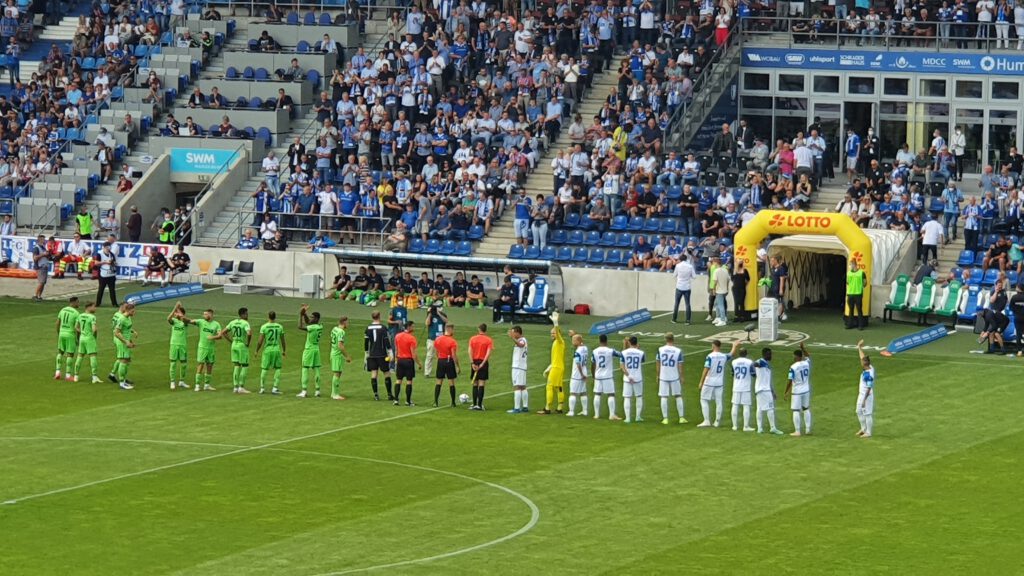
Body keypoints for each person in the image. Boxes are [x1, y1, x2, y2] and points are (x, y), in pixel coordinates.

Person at [698, 339, 729, 428]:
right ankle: (717, 421)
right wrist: (734, 346)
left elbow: (706, 369)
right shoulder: (724, 356)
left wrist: (701, 381)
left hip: (709, 381)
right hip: (719, 382)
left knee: (703, 400)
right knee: (719, 401)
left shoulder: (710, 356)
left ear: (713, 346)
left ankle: (706, 420)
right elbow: (731, 354)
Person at [364, 311, 395, 401]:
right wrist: (390, 351)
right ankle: (389, 394)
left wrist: (366, 353)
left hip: (372, 354)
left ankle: (376, 395)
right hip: (382, 354)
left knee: (374, 373)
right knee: (386, 373)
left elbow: (366, 342)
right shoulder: (383, 328)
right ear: (379, 316)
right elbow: (386, 340)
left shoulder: (368, 328)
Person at [220, 308, 252, 394]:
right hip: (242, 345)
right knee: (245, 365)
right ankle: (241, 387)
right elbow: (249, 333)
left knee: (236, 365)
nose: (247, 315)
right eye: (246, 314)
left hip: (234, 345)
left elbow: (223, 332)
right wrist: (248, 343)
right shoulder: (245, 323)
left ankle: (235, 387)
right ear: (242, 315)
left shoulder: (233, 322)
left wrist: (231, 341)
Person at [590, 334, 622, 420]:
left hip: (598, 376)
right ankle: (611, 415)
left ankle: (596, 415)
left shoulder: (595, 351)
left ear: (599, 340)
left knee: (597, 394)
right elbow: (621, 354)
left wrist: (593, 375)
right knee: (611, 394)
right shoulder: (610, 351)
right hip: (607, 376)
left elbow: (592, 364)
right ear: (606, 341)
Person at [539, 311, 565, 415]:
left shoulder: (559, 341)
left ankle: (547, 408)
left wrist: (556, 323)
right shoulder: (557, 343)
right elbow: (555, 359)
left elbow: (557, 332)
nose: (552, 334)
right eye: (551, 333)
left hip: (556, 368)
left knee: (549, 386)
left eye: (553, 333)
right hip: (559, 367)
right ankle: (559, 407)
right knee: (559, 387)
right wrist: (548, 368)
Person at [753, 347, 784, 435]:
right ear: (765, 354)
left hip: (762, 389)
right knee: (770, 408)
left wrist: (772, 392)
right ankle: (773, 428)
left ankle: (760, 428)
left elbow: (767, 380)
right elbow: (755, 364)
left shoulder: (767, 365)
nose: (771, 355)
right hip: (764, 390)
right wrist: (755, 365)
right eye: (769, 354)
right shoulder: (761, 361)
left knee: (759, 408)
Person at [657, 333, 686, 425]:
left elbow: (658, 363)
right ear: (673, 339)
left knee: (664, 396)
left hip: (663, 376)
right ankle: (681, 418)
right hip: (674, 376)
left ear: (665, 339)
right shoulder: (678, 351)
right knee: (678, 396)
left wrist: (657, 375)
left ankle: (665, 419)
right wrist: (681, 376)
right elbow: (680, 365)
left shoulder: (660, 349)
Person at [254, 311, 285, 395]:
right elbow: (283, 340)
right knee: (278, 368)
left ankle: (262, 388)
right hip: (276, 349)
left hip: (267, 350)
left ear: (268, 316)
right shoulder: (280, 327)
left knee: (264, 368)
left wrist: (256, 350)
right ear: (275, 317)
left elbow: (260, 341)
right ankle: (275, 388)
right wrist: (284, 350)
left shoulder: (264, 327)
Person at [784, 343, 812, 436]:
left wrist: (786, 392)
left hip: (797, 392)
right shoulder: (806, 363)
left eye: (794, 356)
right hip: (806, 390)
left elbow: (789, 380)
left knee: (796, 410)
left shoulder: (793, 367)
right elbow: (808, 356)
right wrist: (803, 348)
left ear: (798, 357)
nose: (793, 357)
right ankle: (808, 429)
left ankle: (797, 431)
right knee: (806, 408)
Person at [296, 305, 324, 398]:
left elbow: (300, 326)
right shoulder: (320, 326)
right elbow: (308, 322)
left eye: (312, 317)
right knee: (317, 369)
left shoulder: (312, 328)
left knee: (305, 369)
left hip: (309, 350)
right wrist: (304, 313)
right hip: (316, 349)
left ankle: (304, 391)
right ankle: (317, 390)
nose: (311, 318)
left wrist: (300, 315)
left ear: (316, 318)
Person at [166, 302, 194, 391]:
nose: (175, 314)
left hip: (182, 345)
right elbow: (168, 319)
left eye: (177, 312)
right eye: (175, 313)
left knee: (184, 364)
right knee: (173, 363)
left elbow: (186, 320)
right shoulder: (174, 321)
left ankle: (182, 381)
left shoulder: (184, 322)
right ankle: (172, 381)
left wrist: (181, 314)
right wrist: (175, 308)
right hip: (174, 344)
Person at [393, 321, 422, 406]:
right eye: (412, 326)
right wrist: (419, 363)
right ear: (408, 327)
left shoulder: (397, 336)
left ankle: (396, 400)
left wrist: (396, 359)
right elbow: (413, 354)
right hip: (408, 361)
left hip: (400, 360)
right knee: (409, 381)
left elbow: (396, 349)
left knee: (398, 380)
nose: (414, 328)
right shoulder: (411, 338)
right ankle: (408, 401)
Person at [73, 301, 102, 384]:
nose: (95, 308)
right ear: (89, 307)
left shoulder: (80, 315)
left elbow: (76, 327)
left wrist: (82, 332)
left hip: (82, 338)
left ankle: (76, 376)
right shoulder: (92, 317)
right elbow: (94, 329)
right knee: (92, 356)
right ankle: (94, 377)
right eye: (94, 306)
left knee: (80, 356)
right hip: (89, 338)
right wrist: (94, 336)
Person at [194, 308, 222, 392]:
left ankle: (207, 385)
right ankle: (197, 385)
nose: (204, 316)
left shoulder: (216, 324)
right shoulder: (201, 322)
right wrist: (182, 316)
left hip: (211, 348)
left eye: (206, 314)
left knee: (209, 365)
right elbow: (190, 321)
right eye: (204, 314)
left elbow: (220, 336)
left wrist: (212, 337)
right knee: (200, 365)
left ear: (211, 315)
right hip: (202, 347)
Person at [110, 303, 137, 390]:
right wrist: (126, 342)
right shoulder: (121, 319)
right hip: (122, 342)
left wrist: (130, 341)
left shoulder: (128, 318)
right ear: (128, 310)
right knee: (123, 360)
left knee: (127, 360)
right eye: (133, 311)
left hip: (126, 342)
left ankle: (124, 380)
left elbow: (127, 331)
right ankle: (122, 383)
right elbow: (116, 332)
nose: (134, 313)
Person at [730, 342, 755, 432]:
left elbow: (732, 373)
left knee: (735, 405)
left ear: (739, 353)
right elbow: (753, 374)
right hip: (746, 387)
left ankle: (734, 426)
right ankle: (746, 426)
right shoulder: (750, 362)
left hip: (736, 386)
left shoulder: (734, 362)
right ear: (746, 354)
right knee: (746, 406)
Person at [432, 324, 460, 407]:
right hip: (449, 361)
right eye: (453, 329)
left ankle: (435, 402)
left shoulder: (438, 339)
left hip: (440, 360)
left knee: (439, 381)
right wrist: (457, 366)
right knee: (451, 382)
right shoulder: (452, 341)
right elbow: (453, 355)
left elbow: (436, 351)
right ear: (450, 329)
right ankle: (453, 403)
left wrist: (440, 358)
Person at [468, 323, 494, 410]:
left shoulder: (472, 339)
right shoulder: (488, 340)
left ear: (478, 329)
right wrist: (483, 363)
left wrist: (472, 363)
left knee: (475, 383)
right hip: (483, 362)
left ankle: (474, 404)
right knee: (481, 383)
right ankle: (479, 405)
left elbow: (469, 351)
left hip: (474, 361)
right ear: (486, 330)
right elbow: (488, 353)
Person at [620, 335, 646, 423]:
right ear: (637, 342)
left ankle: (627, 418)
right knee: (639, 397)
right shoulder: (641, 352)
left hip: (627, 378)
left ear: (629, 342)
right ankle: (638, 417)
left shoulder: (624, 352)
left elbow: (622, 366)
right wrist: (638, 349)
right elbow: (642, 361)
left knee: (627, 398)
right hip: (638, 377)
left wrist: (628, 375)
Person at [55, 297, 81, 381]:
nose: (79, 304)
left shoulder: (62, 310)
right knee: (70, 354)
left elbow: (57, 323)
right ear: (74, 302)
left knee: (60, 352)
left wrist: (59, 333)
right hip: (70, 334)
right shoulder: (76, 313)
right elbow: (77, 328)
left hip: (62, 333)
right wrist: (78, 339)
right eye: (78, 302)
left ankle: (57, 372)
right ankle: (68, 375)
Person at [329, 316, 353, 400]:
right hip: (337, 355)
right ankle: (335, 394)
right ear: (344, 322)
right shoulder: (341, 332)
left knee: (337, 373)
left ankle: (333, 393)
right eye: (347, 322)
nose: (348, 324)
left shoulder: (334, 329)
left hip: (333, 352)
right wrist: (347, 356)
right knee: (337, 374)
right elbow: (340, 345)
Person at [855, 340, 875, 438]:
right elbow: (862, 357)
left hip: (867, 396)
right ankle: (863, 429)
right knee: (858, 411)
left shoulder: (868, 375)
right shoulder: (869, 367)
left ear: (865, 363)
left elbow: (869, 388)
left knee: (867, 414)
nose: (861, 362)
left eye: (862, 362)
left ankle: (868, 432)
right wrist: (859, 347)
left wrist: (864, 400)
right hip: (861, 394)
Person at [567, 330, 590, 417]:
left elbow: (578, 364)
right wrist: (574, 335)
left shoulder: (577, 352)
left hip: (577, 374)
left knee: (573, 393)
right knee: (583, 392)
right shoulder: (585, 348)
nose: (572, 342)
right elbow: (581, 341)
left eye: (574, 340)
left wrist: (581, 374)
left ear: (578, 341)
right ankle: (585, 411)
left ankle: (571, 411)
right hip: (584, 372)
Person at [507, 325, 529, 414]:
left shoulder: (522, 340)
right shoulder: (523, 340)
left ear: (517, 332)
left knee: (517, 386)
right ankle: (525, 407)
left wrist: (512, 338)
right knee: (523, 387)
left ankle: (516, 408)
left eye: (513, 332)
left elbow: (521, 345)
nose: (512, 334)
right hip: (522, 367)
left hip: (518, 367)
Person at [424, 302, 447, 377]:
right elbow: (427, 323)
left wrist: (439, 314)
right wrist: (430, 313)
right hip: (432, 339)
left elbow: (446, 321)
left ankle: (443, 371)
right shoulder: (431, 315)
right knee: (430, 356)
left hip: (441, 339)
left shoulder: (443, 315)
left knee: (442, 356)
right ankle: (427, 372)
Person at [672, 254, 695, 324]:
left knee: (676, 303)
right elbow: (694, 276)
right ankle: (688, 320)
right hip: (687, 287)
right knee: (687, 304)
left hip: (679, 286)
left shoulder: (678, 266)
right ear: (686, 259)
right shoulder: (690, 266)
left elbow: (674, 275)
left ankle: (674, 319)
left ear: (680, 259)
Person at [846, 259, 868, 330]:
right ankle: (850, 324)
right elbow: (847, 282)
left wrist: (861, 285)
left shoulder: (861, 273)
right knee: (851, 310)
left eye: (850, 264)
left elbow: (865, 283)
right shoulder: (848, 273)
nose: (850, 266)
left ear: (854, 264)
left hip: (858, 294)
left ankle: (861, 325)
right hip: (850, 294)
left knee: (859, 310)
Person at [95, 243, 118, 307]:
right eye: (107, 247)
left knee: (112, 290)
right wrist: (105, 262)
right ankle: (98, 303)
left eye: (109, 247)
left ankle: (114, 303)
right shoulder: (100, 254)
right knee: (101, 289)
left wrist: (113, 263)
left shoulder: (111, 254)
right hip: (103, 274)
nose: (108, 248)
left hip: (111, 274)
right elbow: (96, 263)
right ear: (104, 247)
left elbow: (114, 262)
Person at [712, 261, 731, 327]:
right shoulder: (725, 270)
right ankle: (718, 317)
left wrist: (714, 289)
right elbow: (728, 280)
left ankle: (722, 320)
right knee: (717, 304)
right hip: (724, 290)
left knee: (720, 305)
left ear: (717, 263)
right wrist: (727, 288)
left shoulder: (716, 271)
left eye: (714, 263)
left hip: (719, 291)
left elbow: (715, 281)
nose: (713, 264)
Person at [32, 234, 50, 301]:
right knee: (41, 282)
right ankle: (35, 295)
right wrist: (43, 254)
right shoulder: (36, 248)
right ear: (39, 240)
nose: (44, 240)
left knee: (43, 282)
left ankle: (39, 296)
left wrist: (47, 255)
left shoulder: (43, 247)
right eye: (43, 239)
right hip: (40, 266)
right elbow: (35, 258)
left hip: (44, 266)